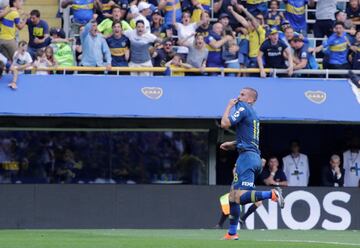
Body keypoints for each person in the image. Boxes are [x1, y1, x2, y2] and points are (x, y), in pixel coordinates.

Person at [220, 87, 284, 240]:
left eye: (242, 94)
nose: (238, 96)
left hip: (247, 159)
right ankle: (232, 233)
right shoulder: (254, 115)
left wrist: (228, 105)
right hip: (250, 156)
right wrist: (234, 143)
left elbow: (225, 123)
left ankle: (272, 194)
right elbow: (249, 140)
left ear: (250, 99)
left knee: (239, 197)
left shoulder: (242, 107)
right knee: (232, 196)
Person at [227, 4, 266, 69]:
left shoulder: (260, 31)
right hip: (250, 57)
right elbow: (242, 20)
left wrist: (243, 9)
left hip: (257, 58)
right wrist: (232, 11)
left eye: (250, 22)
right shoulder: (250, 30)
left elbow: (252, 19)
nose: (248, 23)